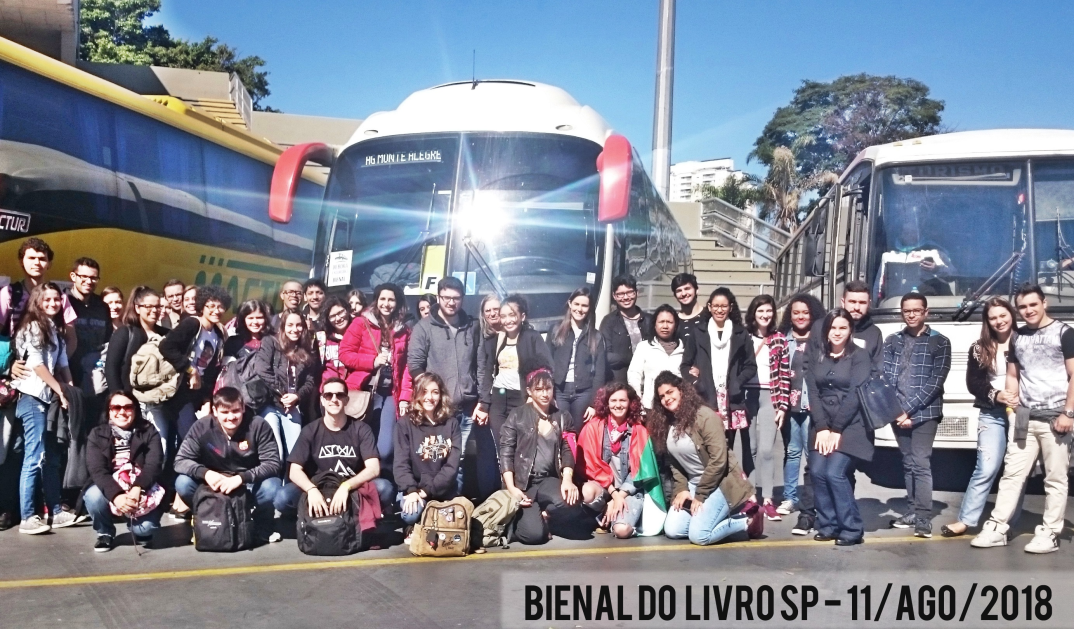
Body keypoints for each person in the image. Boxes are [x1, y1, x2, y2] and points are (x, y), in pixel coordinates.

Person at [972, 285, 1074, 554]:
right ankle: (998, 526)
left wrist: (1068, 413)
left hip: (1056, 419)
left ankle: (1050, 532)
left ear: (1044, 303)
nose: (1028, 311)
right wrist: (1011, 410)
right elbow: (1013, 376)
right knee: (1012, 475)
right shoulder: (1018, 338)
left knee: (1055, 478)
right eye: (1023, 307)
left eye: (1033, 305)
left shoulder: (1065, 333)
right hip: (1024, 419)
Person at [650, 371, 761, 545]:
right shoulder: (668, 423)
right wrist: (682, 489)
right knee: (673, 530)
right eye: (662, 396)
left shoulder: (705, 416)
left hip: (720, 484)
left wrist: (700, 496)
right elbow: (675, 463)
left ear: (681, 390)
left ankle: (747, 521)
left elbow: (718, 461)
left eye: (670, 392)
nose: (666, 399)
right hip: (694, 485)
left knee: (699, 535)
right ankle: (719, 518)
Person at [408, 277, 492, 497]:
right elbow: (415, 366)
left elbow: (482, 366)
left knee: (458, 460)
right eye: (447, 298)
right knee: (434, 457)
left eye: (456, 298)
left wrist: (483, 401)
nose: (451, 303)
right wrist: (430, 396)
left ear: (462, 299)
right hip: (436, 408)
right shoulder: (424, 327)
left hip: (466, 408)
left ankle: (452, 507)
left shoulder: (473, 327)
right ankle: (430, 506)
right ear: (438, 297)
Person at [941, 298, 1017, 537]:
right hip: (992, 412)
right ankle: (965, 520)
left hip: (1023, 413)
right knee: (986, 468)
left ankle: (1007, 521)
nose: (999, 321)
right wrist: (997, 395)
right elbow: (973, 383)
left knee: (1017, 470)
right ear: (987, 321)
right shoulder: (980, 347)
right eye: (993, 317)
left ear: (1011, 315)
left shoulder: (1025, 342)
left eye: (1003, 315)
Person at [275, 378, 393, 526]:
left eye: (339, 395)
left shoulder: (361, 429)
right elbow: (294, 470)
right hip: (319, 488)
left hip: (351, 490)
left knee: (385, 488)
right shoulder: (310, 430)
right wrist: (311, 490)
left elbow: (374, 468)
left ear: (347, 400)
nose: (334, 399)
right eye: (328, 395)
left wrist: (346, 486)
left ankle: (352, 517)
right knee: (282, 497)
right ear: (322, 400)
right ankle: (309, 520)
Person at [882, 292, 951, 538]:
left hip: (925, 413)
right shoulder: (892, 341)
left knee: (921, 463)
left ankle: (923, 518)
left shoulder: (940, 342)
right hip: (897, 412)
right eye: (907, 311)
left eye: (916, 310)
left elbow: (935, 383)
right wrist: (897, 411)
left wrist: (908, 410)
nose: (911, 314)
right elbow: (886, 377)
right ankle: (911, 511)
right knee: (908, 462)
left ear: (925, 312)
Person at [173, 387, 282, 543]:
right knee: (182, 483)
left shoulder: (258, 425)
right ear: (215, 411)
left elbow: (272, 463)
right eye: (225, 412)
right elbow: (180, 460)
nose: (231, 417)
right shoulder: (202, 427)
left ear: (243, 408)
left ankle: (261, 525)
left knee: (272, 486)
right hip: (213, 484)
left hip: (246, 483)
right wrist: (206, 473)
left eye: (236, 411)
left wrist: (241, 478)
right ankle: (207, 520)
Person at [12, 282, 76, 534]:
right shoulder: (33, 327)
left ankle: (56, 511)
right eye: (47, 300)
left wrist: (70, 390)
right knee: (34, 456)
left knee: (50, 457)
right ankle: (28, 516)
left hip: (49, 399)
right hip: (32, 397)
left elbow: (63, 365)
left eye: (56, 300)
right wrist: (60, 390)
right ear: (37, 301)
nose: (52, 304)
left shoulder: (54, 330)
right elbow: (38, 366)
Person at [806, 309, 873, 546]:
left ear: (850, 330)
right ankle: (828, 524)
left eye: (843, 328)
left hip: (851, 425)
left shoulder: (860, 356)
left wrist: (836, 430)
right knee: (816, 472)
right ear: (826, 331)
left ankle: (851, 528)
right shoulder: (817, 356)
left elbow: (855, 394)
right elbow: (813, 393)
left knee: (834, 473)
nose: (837, 332)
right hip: (822, 423)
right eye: (833, 327)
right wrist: (822, 427)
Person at [500, 368, 588, 545]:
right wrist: (511, 488)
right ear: (529, 391)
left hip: (548, 479)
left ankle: (545, 514)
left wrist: (567, 480)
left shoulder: (563, 417)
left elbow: (568, 450)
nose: (544, 394)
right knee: (534, 536)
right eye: (539, 389)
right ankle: (521, 521)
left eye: (548, 388)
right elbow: (506, 453)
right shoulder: (517, 415)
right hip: (523, 484)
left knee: (573, 501)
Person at [339, 283, 412, 470]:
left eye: (391, 300)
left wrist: (405, 398)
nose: (386, 304)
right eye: (383, 299)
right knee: (356, 442)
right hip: (363, 390)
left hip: (390, 394)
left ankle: (376, 483)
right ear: (376, 300)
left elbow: (407, 369)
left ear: (398, 303)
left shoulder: (404, 330)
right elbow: (345, 354)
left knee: (385, 448)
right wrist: (372, 361)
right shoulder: (361, 323)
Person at [575, 383, 661, 539]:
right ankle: (603, 511)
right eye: (613, 400)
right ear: (607, 403)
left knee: (622, 531)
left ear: (630, 403)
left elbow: (639, 471)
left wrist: (620, 495)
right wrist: (614, 495)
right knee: (587, 492)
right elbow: (590, 466)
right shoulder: (593, 427)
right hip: (603, 487)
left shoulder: (639, 431)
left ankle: (614, 519)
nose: (618, 405)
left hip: (629, 490)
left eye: (623, 400)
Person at [84, 391, 165, 552]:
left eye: (128, 407)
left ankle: (140, 528)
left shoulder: (149, 431)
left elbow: (153, 465)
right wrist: (117, 496)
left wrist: (137, 488)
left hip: (142, 487)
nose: (122, 412)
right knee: (93, 496)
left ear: (135, 410)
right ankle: (105, 532)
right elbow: (97, 470)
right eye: (116, 407)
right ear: (108, 411)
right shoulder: (97, 434)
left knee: (145, 529)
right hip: (111, 486)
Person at [681, 288, 757, 449]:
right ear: (709, 307)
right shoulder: (698, 333)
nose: (719, 310)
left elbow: (750, 366)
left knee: (728, 447)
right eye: (715, 306)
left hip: (731, 399)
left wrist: (737, 382)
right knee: (707, 446)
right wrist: (697, 383)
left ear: (730, 307)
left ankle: (730, 474)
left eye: (723, 306)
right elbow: (685, 365)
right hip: (706, 396)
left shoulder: (740, 334)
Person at [479, 294, 554, 452]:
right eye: (504, 316)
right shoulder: (498, 338)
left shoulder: (532, 338)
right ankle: (506, 477)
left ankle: (521, 478)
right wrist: (484, 404)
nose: (508, 320)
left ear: (522, 316)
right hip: (498, 399)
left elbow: (546, 367)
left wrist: (533, 397)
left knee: (522, 446)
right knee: (503, 447)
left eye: (512, 315)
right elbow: (488, 373)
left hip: (521, 399)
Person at [159, 285, 230, 450]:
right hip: (179, 390)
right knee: (189, 439)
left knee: (187, 439)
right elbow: (166, 346)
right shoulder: (192, 324)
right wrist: (191, 370)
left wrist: (207, 399)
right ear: (202, 305)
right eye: (211, 306)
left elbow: (211, 371)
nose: (216, 310)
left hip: (197, 392)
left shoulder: (218, 335)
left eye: (220, 306)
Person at [776, 293, 826, 527]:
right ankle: (789, 497)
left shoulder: (820, 339)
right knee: (792, 452)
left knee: (810, 453)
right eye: (796, 312)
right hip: (790, 406)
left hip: (812, 404)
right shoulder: (783, 339)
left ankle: (812, 499)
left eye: (805, 312)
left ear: (813, 314)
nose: (800, 316)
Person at [394, 372, 462, 533]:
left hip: (443, 489)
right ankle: (414, 525)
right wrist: (411, 491)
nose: (429, 397)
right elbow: (401, 463)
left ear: (441, 396)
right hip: (414, 490)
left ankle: (425, 522)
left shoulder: (451, 424)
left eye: (435, 392)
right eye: (424, 392)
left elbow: (452, 466)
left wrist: (427, 491)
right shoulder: (404, 424)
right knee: (411, 514)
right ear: (416, 394)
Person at [743, 295, 791, 521]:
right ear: (753, 313)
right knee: (749, 448)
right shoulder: (743, 336)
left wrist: (782, 405)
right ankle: (752, 497)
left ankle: (769, 498)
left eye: (769, 311)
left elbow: (784, 375)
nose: (765, 315)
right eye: (760, 311)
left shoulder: (779, 339)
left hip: (769, 396)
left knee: (766, 449)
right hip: (747, 394)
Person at [105, 287, 169, 450]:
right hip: (130, 403)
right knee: (127, 451)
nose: (154, 310)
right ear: (137, 307)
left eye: (157, 306)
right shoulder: (125, 333)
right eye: (149, 306)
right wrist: (119, 404)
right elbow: (111, 369)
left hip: (157, 404)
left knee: (161, 449)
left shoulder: (167, 335)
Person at [253, 310, 320, 460]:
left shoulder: (306, 349)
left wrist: (297, 396)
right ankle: (273, 483)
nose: (294, 329)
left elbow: (310, 381)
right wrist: (282, 394)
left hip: (293, 406)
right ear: (283, 327)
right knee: (277, 453)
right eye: (290, 325)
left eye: (298, 325)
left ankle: (289, 482)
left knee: (295, 455)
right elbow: (262, 369)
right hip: (271, 404)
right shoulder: (271, 342)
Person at [1, 238, 78, 357]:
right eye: (31, 258)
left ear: (49, 264)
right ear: (22, 261)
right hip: (15, 369)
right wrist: (9, 365)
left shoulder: (60, 297)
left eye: (42, 259)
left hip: (48, 370)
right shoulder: (9, 293)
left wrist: (58, 365)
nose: (36, 263)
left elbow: (71, 340)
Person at [547, 287, 606, 432]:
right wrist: (549, 393)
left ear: (589, 308)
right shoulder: (556, 330)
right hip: (559, 391)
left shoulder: (596, 336)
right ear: (570, 304)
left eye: (584, 305)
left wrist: (593, 404)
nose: (580, 309)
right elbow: (546, 363)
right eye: (577, 304)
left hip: (583, 393)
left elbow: (599, 374)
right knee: (560, 432)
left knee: (578, 433)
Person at [627, 304, 684, 410]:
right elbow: (634, 375)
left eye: (670, 322)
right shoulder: (644, 347)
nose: (665, 326)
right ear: (654, 324)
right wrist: (638, 403)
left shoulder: (685, 349)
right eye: (661, 322)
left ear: (675, 325)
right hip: (651, 407)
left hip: (679, 407)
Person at [600, 274, 652, 385]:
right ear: (614, 296)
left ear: (637, 292)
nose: (626, 297)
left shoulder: (650, 320)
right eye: (620, 294)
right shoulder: (609, 321)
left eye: (629, 292)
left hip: (647, 382)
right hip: (619, 384)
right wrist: (633, 358)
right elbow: (605, 355)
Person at [66, 258, 110, 390]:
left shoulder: (102, 306)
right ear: (73, 276)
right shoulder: (63, 302)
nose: (89, 281)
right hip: (69, 375)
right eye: (84, 277)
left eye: (94, 278)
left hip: (96, 377)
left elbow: (107, 340)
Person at [316, 297, 352, 383]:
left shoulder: (359, 336)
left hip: (352, 389)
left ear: (347, 311)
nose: (338, 318)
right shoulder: (322, 338)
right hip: (328, 390)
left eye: (340, 312)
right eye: (332, 316)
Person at [671, 273, 705, 338]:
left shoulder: (709, 316)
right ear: (675, 295)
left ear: (696, 290)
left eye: (687, 289)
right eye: (679, 291)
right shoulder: (674, 321)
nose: (683, 294)